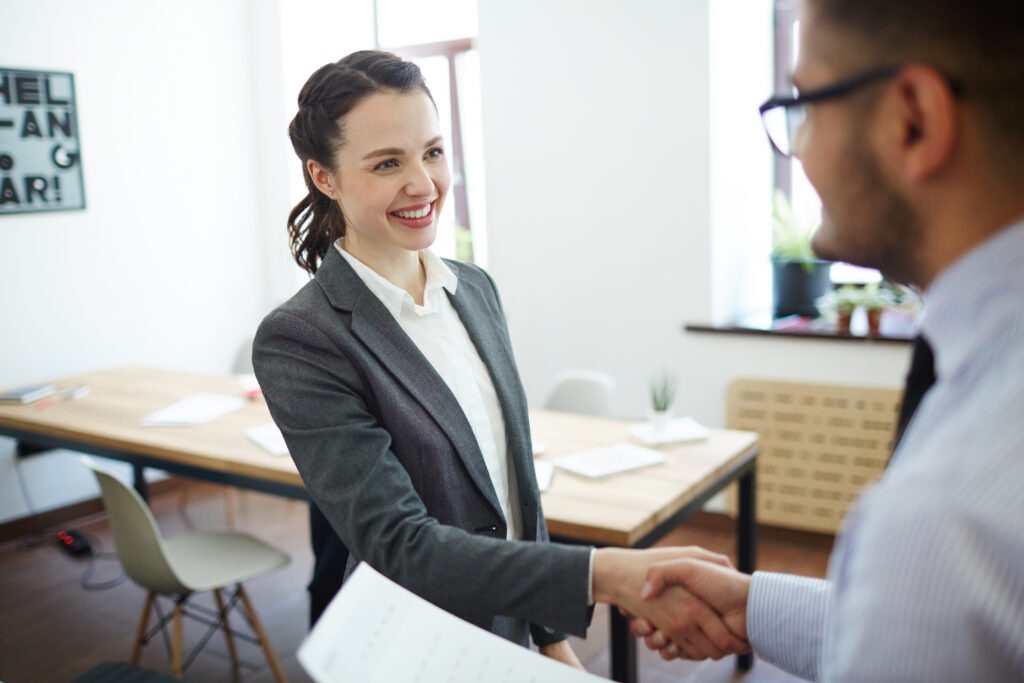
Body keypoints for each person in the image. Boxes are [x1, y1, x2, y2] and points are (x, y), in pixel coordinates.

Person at [252, 50, 737, 668]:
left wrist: (548, 634)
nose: (423, 185)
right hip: (411, 648)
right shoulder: (303, 337)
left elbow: (514, 481)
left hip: (508, 634)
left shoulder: (473, 289)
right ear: (324, 177)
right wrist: (602, 574)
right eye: (387, 164)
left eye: (432, 152)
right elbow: (399, 544)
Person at [629, 1, 1024, 679]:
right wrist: (754, 604)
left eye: (805, 104)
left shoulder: (940, 518)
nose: (798, 147)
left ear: (914, 121)